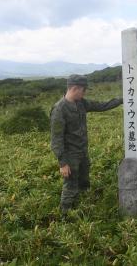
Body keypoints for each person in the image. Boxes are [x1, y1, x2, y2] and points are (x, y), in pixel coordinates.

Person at [50, 75, 122, 217]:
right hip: (70, 155)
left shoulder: (81, 103)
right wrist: (63, 163)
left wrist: (122, 99)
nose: (85, 93)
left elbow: (101, 105)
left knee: (84, 182)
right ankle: (65, 216)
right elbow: (56, 140)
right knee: (70, 187)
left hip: (82, 152)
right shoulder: (59, 109)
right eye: (83, 90)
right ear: (75, 88)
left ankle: (81, 208)